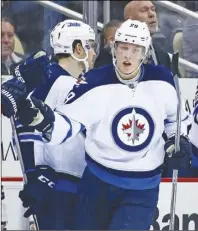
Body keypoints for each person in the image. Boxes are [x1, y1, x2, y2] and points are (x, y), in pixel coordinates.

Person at [7, 19, 192, 230]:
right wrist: (43, 120)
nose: (128, 55)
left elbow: (176, 120)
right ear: (114, 48)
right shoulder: (93, 82)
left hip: (142, 188)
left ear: (145, 52)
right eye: (123, 47)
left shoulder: (164, 81)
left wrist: (178, 141)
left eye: (135, 49)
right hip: (97, 185)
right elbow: (66, 126)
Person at [14, 19, 96, 230]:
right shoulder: (60, 82)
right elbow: (26, 124)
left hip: (61, 186)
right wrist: (35, 175)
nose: (94, 52)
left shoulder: (51, 78)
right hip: (62, 188)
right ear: (78, 48)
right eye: (91, 45)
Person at [124, 0, 171, 69]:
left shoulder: (163, 55)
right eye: (143, 10)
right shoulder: (114, 52)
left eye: (153, 9)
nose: (152, 14)